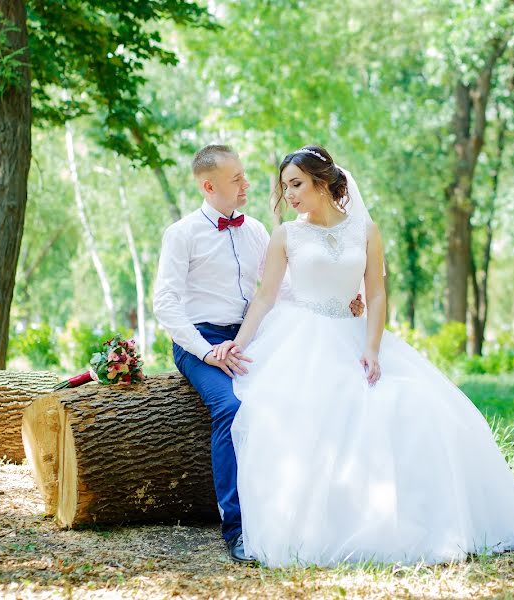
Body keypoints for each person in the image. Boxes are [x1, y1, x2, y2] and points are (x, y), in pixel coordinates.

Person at [213, 145, 514, 567]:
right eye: (285, 187)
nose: (289, 194)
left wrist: (371, 348)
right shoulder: (286, 235)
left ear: (323, 182)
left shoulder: (366, 230)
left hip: (356, 334)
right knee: (305, 413)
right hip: (303, 338)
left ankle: (423, 519)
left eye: (296, 184)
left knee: (420, 405)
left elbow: (374, 292)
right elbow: (264, 298)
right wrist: (237, 346)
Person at [152, 144, 363, 564]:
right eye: (236, 180)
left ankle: (296, 511)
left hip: (252, 335)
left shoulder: (257, 233)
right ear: (209, 186)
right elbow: (166, 304)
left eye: (244, 176)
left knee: (289, 398)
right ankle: (237, 528)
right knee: (233, 407)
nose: (247, 184)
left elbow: (278, 291)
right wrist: (207, 351)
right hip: (202, 340)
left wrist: (342, 300)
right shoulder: (182, 233)